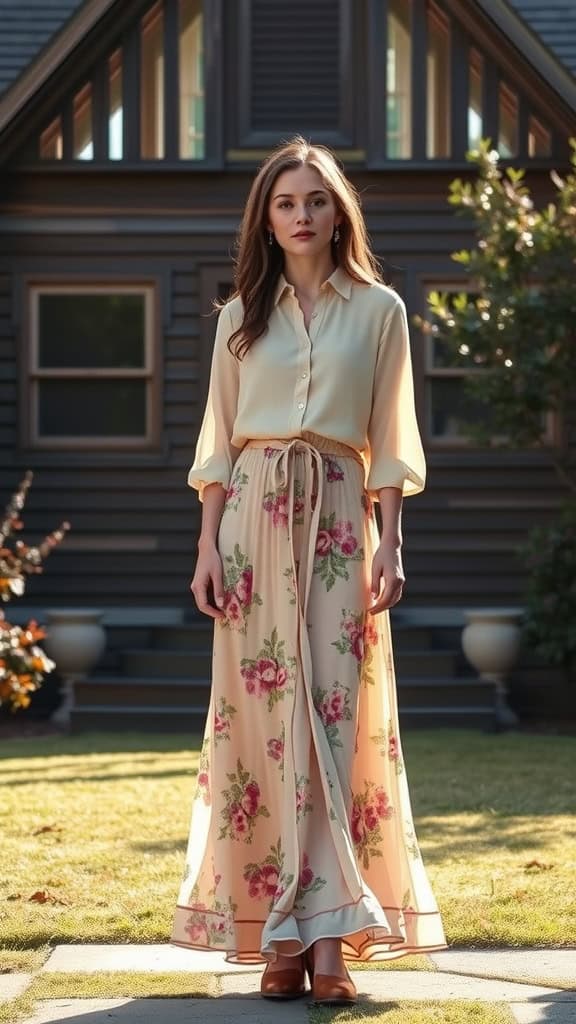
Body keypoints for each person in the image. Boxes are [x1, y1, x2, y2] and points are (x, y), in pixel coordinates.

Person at [170, 134, 448, 1005]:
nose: (300, 215)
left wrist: (391, 545)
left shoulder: (381, 311)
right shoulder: (236, 320)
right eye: (285, 202)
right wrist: (207, 547)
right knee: (263, 728)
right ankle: (277, 937)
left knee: (331, 721)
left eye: (315, 201)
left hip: (335, 514)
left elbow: (392, 443)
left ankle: (329, 940)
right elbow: (217, 446)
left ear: (338, 214)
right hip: (252, 516)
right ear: (268, 217)